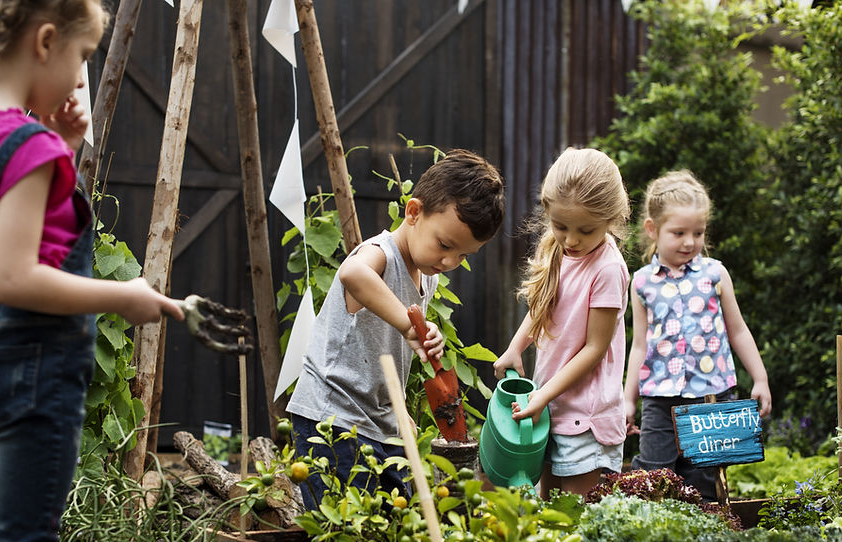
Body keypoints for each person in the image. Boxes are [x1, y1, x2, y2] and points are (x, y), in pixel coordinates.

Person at [0, 2, 184, 542]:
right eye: (80, 58)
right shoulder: (27, 145)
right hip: (34, 357)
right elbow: (20, 276)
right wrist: (122, 296)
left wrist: (66, 148)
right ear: (46, 42)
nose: (81, 75)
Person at [287, 149, 505, 510]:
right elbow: (352, 275)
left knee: (390, 524)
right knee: (343, 527)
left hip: (378, 422)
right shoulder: (380, 253)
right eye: (445, 246)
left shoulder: (425, 275)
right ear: (414, 212)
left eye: (464, 256)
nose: (450, 262)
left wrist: (401, 409)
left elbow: (386, 352)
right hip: (332, 419)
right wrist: (409, 324)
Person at [623, 170, 771, 501]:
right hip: (660, 398)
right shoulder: (642, 282)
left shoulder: (715, 274)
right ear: (652, 230)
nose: (690, 242)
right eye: (678, 233)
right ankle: (656, 541)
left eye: (698, 233)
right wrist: (627, 398)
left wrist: (759, 378)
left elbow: (738, 331)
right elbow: (640, 345)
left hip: (711, 397)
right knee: (655, 476)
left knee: (704, 480)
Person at [494, 148, 631, 500]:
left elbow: (595, 349)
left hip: (586, 417)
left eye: (586, 230)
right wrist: (515, 347)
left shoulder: (607, 269)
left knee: (575, 516)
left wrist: (542, 395)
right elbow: (543, 305)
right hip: (550, 405)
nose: (571, 240)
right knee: (547, 509)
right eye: (560, 226)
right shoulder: (556, 249)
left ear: (612, 218)